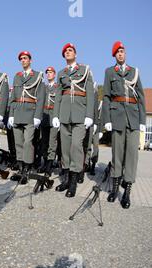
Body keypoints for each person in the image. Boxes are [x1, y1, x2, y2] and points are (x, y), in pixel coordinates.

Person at [102, 41, 146, 209]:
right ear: (114, 55)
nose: (121, 54)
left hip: (133, 118)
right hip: (117, 117)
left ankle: (127, 191)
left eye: (123, 51)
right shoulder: (109, 72)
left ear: (125, 54)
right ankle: (114, 189)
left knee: (132, 156)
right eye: (118, 52)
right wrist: (106, 118)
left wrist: (142, 121)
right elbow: (106, 96)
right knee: (117, 154)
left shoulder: (134, 72)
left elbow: (141, 97)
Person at [52, 43, 95, 198]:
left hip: (80, 113)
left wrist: (90, 115)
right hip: (64, 114)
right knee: (65, 148)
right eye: (65, 51)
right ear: (64, 56)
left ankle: (73, 182)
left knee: (76, 146)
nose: (68, 53)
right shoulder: (61, 73)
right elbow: (58, 95)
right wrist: (55, 115)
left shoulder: (85, 70)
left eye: (70, 50)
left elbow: (90, 93)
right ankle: (66, 179)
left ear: (75, 54)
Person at [8, 51, 45, 184]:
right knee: (18, 143)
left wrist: (38, 116)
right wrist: (11, 115)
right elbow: (13, 98)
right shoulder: (17, 77)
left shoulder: (37, 76)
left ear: (30, 60)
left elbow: (41, 98)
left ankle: (28, 169)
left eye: (25, 58)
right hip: (17, 112)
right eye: (21, 59)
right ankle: (21, 168)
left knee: (28, 143)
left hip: (30, 113)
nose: (23, 60)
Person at [38, 67, 59, 177]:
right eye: (47, 73)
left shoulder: (58, 87)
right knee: (44, 141)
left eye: (51, 72)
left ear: (54, 74)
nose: (49, 74)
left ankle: (49, 165)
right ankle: (44, 163)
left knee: (52, 142)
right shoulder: (43, 87)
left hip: (53, 116)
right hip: (45, 116)